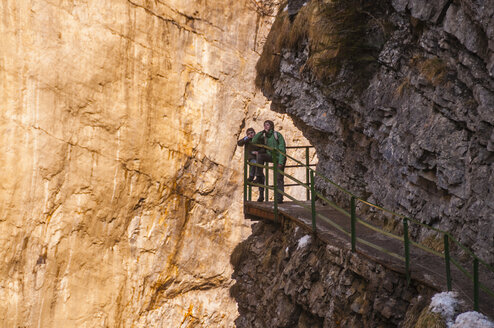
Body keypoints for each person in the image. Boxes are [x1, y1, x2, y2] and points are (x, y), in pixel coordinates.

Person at [252, 120, 286, 203]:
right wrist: (262, 132)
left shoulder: (277, 135)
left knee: (279, 178)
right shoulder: (264, 135)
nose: (266, 126)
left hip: (278, 158)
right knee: (260, 156)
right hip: (270, 156)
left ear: (271, 126)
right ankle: (259, 175)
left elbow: (282, 149)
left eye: (267, 125)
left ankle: (279, 198)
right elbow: (254, 141)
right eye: (264, 125)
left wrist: (281, 162)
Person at [237, 127, 265, 201]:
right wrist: (246, 138)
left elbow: (264, 148)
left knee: (261, 176)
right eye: (249, 134)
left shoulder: (259, 139)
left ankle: (261, 195)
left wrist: (258, 152)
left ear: (254, 133)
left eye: (252, 133)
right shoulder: (248, 140)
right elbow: (239, 143)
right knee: (254, 164)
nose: (251, 135)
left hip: (259, 158)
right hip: (251, 158)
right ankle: (252, 176)